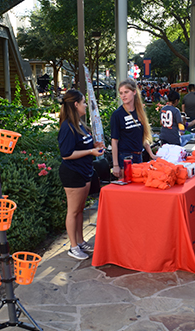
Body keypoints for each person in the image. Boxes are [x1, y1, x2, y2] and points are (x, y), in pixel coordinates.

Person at [58, 90, 105, 260]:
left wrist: (94, 145)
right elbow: (66, 154)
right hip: (73, 173)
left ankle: (80, 241)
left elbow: (83, 146)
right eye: (83, 102)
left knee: (79, 211)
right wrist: (91, 151)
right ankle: (73, 246)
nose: (86, 105)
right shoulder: (67, 126)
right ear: (76, 104)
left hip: (85, 172)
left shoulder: (79, 124)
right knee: (73, 211)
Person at [110, 78, 157, 178]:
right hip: (125, 157)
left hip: (139, 156)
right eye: (121, 93)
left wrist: (151, 154)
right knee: (126, 189)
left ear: (134, 92)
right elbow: (114, 140)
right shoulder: (117, 115)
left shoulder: (139, 111)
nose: (123, 95)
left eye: (126, 92)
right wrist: (115, 165)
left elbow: (142, 136)